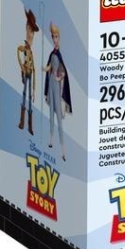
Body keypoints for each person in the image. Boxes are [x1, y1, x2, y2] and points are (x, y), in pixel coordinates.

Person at [44, 23, 73, 161]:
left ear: (59, 37)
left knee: (58, 117)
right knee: (50, 114)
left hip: (56, 84)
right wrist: (45, 69)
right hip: (50, 83)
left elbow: (63, 73)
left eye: (56, 37)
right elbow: (49, 67)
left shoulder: (58, 54)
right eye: (53, 37)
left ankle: (63, 150)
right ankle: (50, 140)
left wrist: (58, 77)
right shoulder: (52, 53)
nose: (54, 39)